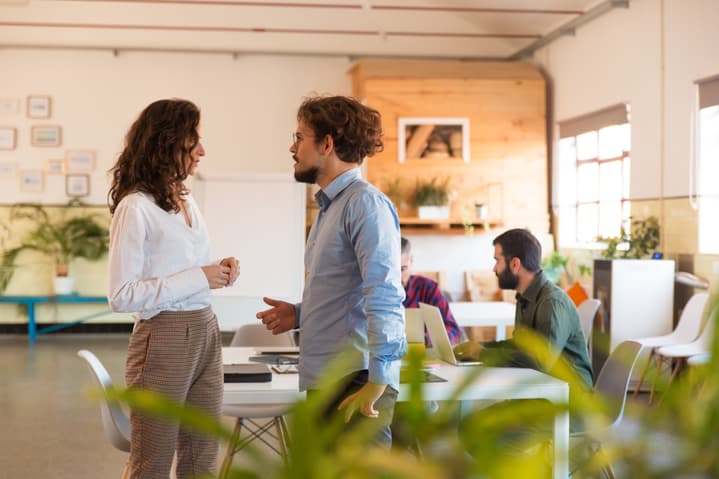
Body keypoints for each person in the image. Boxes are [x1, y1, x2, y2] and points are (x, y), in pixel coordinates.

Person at [257, 95, 406, 447]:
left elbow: (384, 294)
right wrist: (298, 313)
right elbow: (344, 293)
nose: (293, 148)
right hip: (327, 379)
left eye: (299, 137)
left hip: (356, 381)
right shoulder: (330, 208)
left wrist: (377, 381)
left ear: (327, 143)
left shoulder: (365, 205)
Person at [107, 99, 240, 478]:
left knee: (203, 458)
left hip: (205, 328)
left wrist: (220, 271)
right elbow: (121, 294)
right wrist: (200, 276)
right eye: (192, 141)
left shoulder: (184, 198)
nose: (201, 151)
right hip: (163, 336)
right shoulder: (135, 207)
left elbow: (183, 268)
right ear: (166, 143)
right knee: (153, 463)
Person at [455, 228, 593, 388]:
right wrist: (480, 347)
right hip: (542, 387)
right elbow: (520, 347)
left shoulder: (552, 302)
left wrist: (483, 353)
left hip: (569, 397)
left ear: (515, 264)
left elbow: (541, 360)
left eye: (497, 260)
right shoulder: (524, 298)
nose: (494, 269)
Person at [401, 236, 462, 345]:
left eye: (402, 269)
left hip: (422, 356)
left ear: (411, 260)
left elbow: (454, 330)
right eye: (392, 270)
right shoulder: (373, 292)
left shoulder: (428, 288)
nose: (398, 277)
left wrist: (427, 340)